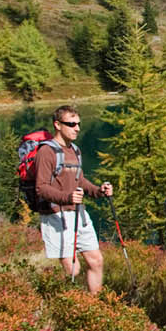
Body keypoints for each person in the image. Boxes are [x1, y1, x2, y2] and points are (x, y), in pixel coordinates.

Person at [35, 105, 113, 293]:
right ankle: (68, 304)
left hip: (79, 214)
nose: (77, 128)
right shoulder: (46, 152)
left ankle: (95, 307)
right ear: (58, 125)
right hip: (56, 216)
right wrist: (67, 197)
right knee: (73, 269)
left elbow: (80, 179)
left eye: (78, 124)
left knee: (96, 260)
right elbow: (41, 187)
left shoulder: (75, 150)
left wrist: (98, 191)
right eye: (71, 124)